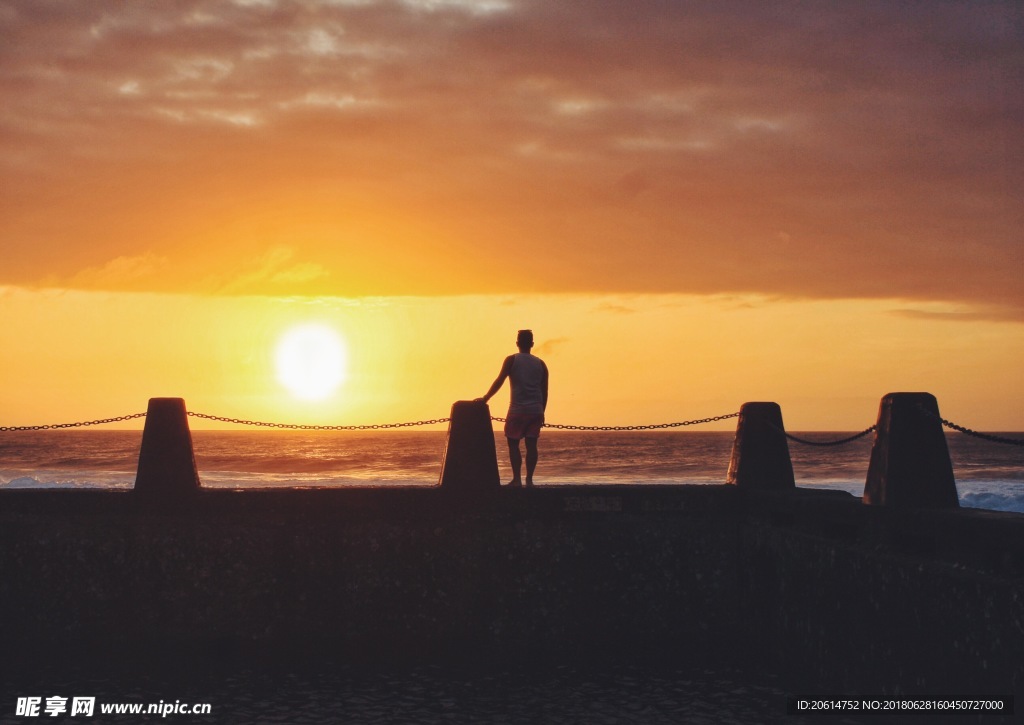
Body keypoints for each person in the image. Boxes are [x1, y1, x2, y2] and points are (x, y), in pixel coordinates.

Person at [478, 329, 549, 487]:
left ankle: (517, 479)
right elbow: (545, 391)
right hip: (536, 410)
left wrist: (485, 398)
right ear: (532, 344)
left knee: (513, 444)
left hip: (517, 409)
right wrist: (542, 411)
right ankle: (529, 480)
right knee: (532, 445)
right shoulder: (541, 364)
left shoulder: (511, 360)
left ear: (517, 343)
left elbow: (500, 381)